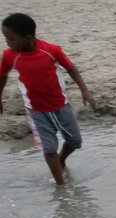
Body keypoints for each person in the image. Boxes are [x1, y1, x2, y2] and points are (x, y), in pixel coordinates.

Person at [0, 13, 96, 186]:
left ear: (28, 38)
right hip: (35, 110)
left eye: (11, 39)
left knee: (75, 141)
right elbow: (2, 76)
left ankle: (61, 160)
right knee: (49, 148)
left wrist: (84, 90)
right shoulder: (9, 55)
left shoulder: (51, 50)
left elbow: (70, 68)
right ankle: (61, 185)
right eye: (5, 38)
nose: (7, 42)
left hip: (61, 105)